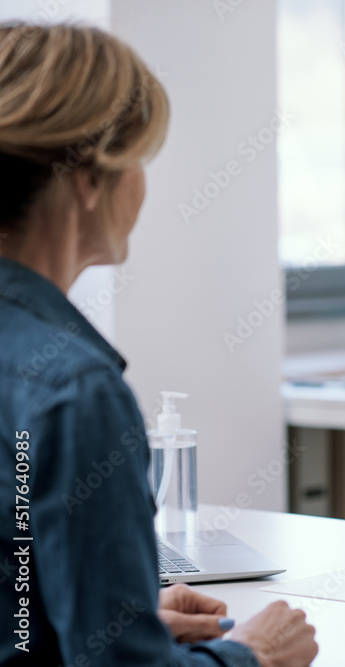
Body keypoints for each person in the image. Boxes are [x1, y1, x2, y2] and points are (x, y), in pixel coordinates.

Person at [0, 23, 318, 666]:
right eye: (140, 161)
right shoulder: (74, 392)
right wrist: (251, 655)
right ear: (89, 179)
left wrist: (115, 621)